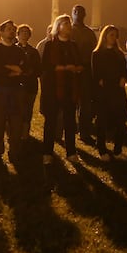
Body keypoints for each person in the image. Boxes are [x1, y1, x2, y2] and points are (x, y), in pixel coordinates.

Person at [40, 14, 83, 166]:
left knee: (70, 121)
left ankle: (71, 152)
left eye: (69, 23)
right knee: (50, 121)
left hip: (70, 88)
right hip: (54, 89)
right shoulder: (50, 45)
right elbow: (45, 67)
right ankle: (47, 152)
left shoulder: (73, 46)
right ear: (58, 27)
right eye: (65, 23)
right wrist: (64, 68)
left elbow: (79, 63)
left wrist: (77, 68)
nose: (69, 26)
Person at [0, 20, 27, 161]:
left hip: (16, 90)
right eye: (8, 29)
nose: (12, 31)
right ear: (2, 32)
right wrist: (13, 69)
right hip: (0, 90)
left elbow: (25, 68)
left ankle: (14, 151)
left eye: (13, 29)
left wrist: (11, 69)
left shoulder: (19, 51)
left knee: (16, 122)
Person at [91, 25, 127, 161]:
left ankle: (118, 150)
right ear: (105, 36)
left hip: (118, 92)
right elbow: (96, 75)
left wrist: (123, 78)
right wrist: (104, 83)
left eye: (115, 35)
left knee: (120, 122)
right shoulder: (97, 54)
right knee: (102, 121)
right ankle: (102, 149)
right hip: (104, 92)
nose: (114, 38)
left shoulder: (119, 54)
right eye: (111, 35)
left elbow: (124, 71)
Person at [71, 5, 97, 144]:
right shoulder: (69, 31)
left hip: (86, 71)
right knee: (70, 102)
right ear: (72, 13)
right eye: (75, 12)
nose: (78, 14)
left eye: (81, 12)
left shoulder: (89, 33)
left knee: (86, 103)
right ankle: (69, 129)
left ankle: (84, 131)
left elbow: (94, 52)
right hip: (71, 71)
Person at [15, 24, 42, 145]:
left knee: (27, 110)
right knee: (16, 109)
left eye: (27, 32)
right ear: (18, 34)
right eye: (22, 32)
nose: (24, 34)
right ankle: (15, 131)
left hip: (30, 85)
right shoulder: (13, 50)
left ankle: (25, 133)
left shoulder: (33, 51)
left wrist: (30, 72)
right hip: (16, 85)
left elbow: (38, 69)